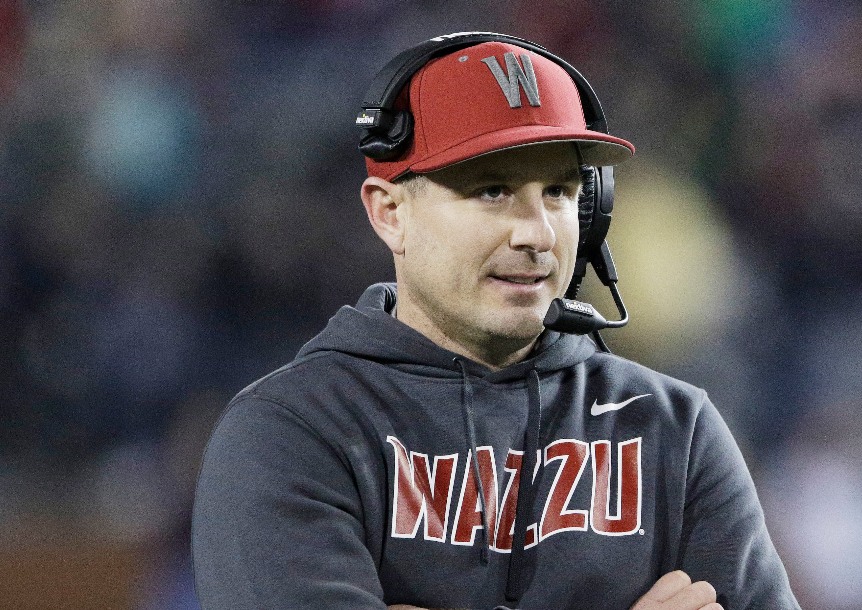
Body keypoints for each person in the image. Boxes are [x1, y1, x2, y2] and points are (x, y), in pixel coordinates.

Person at [191, 32, 800, 610]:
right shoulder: (293, 430)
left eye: (559, 192)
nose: (537, 233)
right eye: (491, 191)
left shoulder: (675, 430)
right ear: (390, 213)